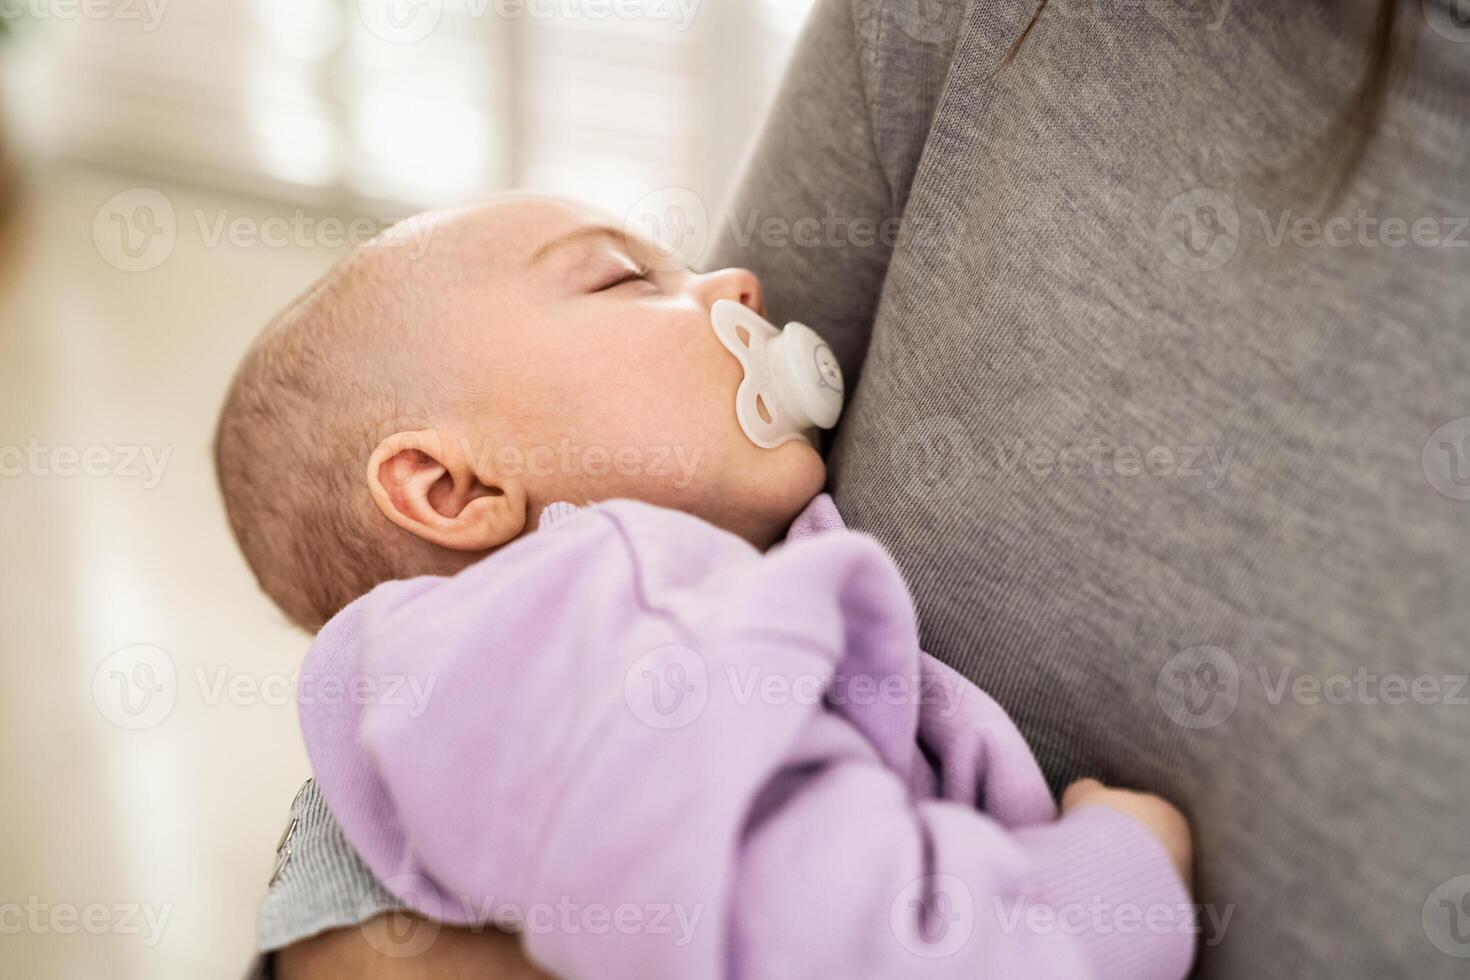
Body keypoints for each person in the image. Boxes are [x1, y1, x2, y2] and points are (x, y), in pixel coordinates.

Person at [244, 0, 1470, 976]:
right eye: (627, 280)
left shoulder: (565, 638)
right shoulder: (606, 608)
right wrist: (1110, 885)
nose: (731, 284)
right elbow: (834, 937)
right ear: (451, 490)